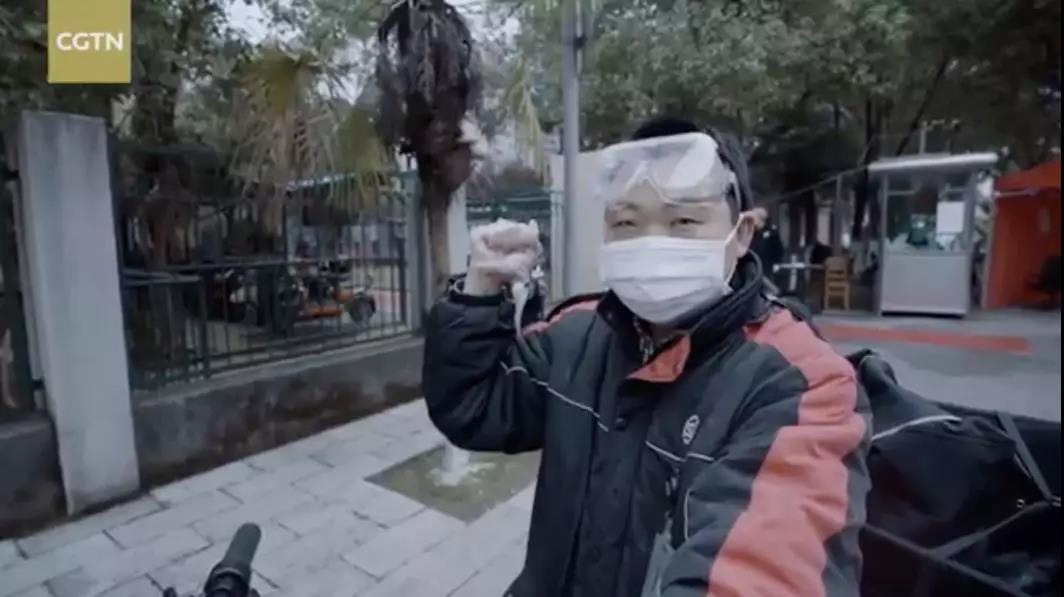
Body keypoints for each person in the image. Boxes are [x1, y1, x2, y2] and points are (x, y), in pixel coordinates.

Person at [422, 117, 870, 597]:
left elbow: (771, 565)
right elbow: (472, 408)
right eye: (627, 223)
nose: (652, 241)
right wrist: (477, 294)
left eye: (684, 221)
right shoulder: (576, 334)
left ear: (742, 234)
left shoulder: (803, 384)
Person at [747, 206, 784, 284]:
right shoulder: (750, 232)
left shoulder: (772, 232)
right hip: (753, 267)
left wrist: (777, 263)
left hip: (767, 268)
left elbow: (778, 250)